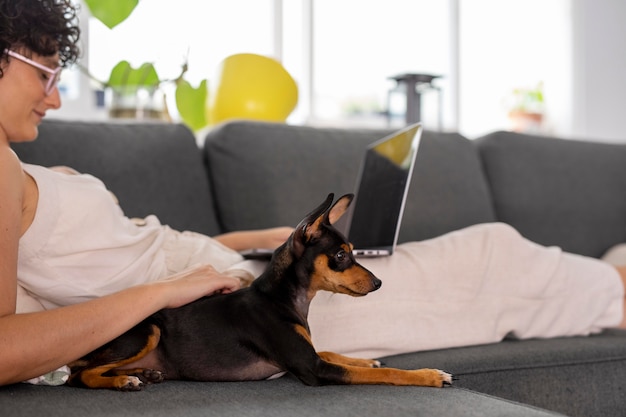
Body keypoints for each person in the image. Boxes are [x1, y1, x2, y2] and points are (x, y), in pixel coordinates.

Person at [1, 0, 625, 387]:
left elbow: (126, 252)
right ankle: (616, 288)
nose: (55, 96)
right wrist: (165, 291)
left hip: (236, 275)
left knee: (497, 253)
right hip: (238, 309)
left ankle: (612, 281)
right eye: (45, 73)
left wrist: (264, 242)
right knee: (496, 254)